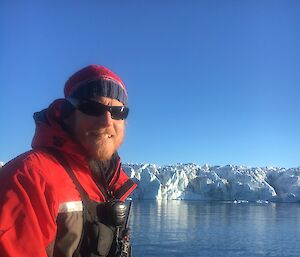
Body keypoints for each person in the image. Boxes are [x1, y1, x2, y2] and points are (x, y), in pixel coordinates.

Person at [0, 65, 137, 257]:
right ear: (68, 115)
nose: (107, 121)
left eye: (118, 111)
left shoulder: (110, 181)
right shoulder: (28, 179)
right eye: (93, 108)